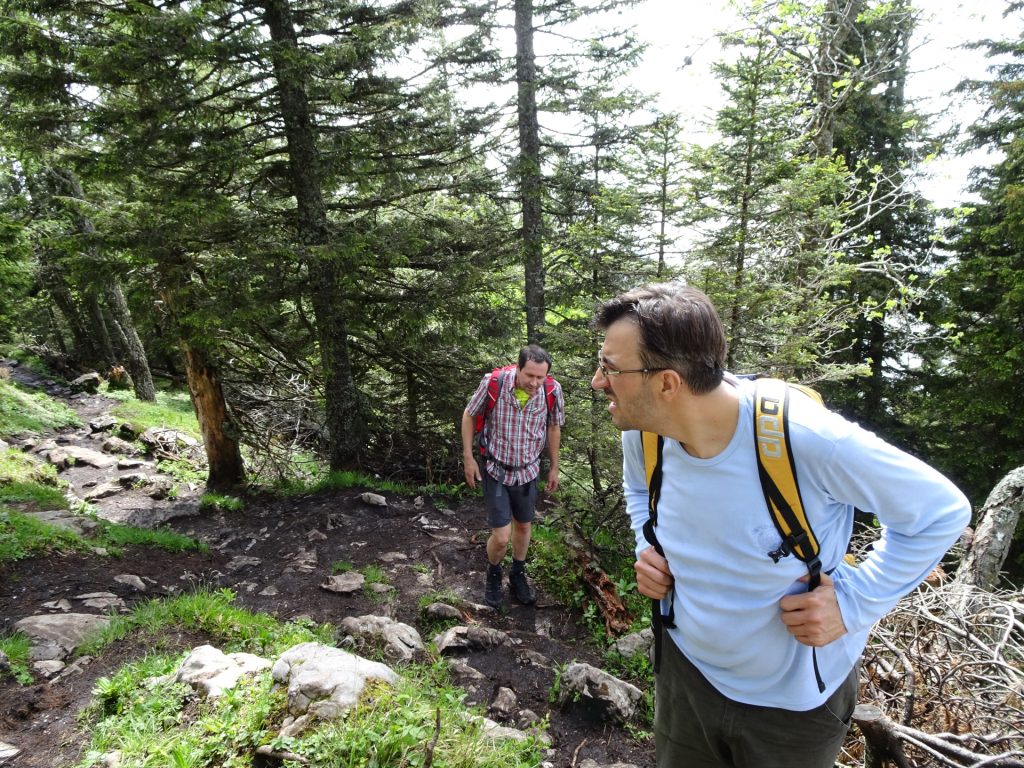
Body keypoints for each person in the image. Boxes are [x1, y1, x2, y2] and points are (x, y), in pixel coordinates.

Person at [591, 283, 971, 768]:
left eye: (611, 368)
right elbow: (640, 494)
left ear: (667, 383)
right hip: (686, 679)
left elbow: (941, 511)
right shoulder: (646, 433)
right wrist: (649, 546)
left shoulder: (802, 437)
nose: (598, 382)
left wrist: (854, 602)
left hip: (793, 707)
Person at [461, 345, 565, 608]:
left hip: (529, 472)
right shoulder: (493, 383)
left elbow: (553, 427)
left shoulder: (552, 391)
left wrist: (554, 466)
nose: (534, 383)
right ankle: (493, 572)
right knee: (502, 536)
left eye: (540, 377)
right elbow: (469, 414)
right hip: (496, 470)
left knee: (524, 525)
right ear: (517, 368)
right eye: (529, 375)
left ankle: (517, 574)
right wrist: (468, 457)